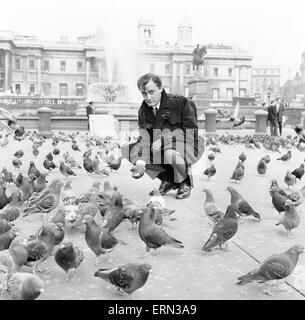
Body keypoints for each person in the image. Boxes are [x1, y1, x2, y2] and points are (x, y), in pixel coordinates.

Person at [122, 73, 204, 199]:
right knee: (130, 151)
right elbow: (144, 139)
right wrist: (140, 162)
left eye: (151, 92)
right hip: (162, 147)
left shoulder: (180, 102)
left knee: (170, 153)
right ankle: (168, 180)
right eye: (144, 94)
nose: (148, 97)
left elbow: (190, 132)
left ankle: (185, 182)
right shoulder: (143, 110)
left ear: (160, 88)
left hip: (188, 144)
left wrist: (162, 140)